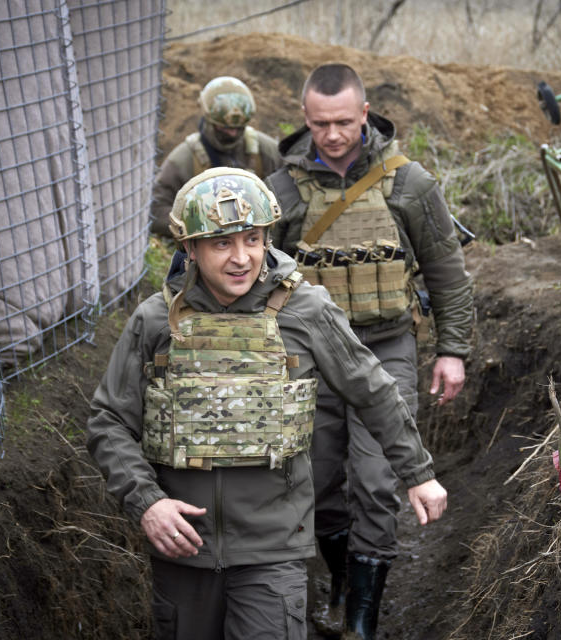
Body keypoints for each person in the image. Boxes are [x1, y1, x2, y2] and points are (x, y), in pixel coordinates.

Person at [86, 168, 447, 640]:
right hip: (182, 551)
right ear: (190, 248)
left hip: (273, 551)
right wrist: (148, 503)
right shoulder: (156, 320)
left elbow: (373, 391)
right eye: (222, 244)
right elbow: (108, 421)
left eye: (253, 240)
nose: (242, 258)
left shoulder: (306, 311)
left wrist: (417, 473)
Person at [265, 63, 474, 639]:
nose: (331, 135)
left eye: (343, 122)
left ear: (365, 114)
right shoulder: (280, 190)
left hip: (386, 347)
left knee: (378, 480)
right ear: (304, 120)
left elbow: (447, 273)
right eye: (319, 124)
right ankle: (341, 584)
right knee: (321, 481)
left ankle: (362, 622)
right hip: (308, 360)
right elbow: (256, 278)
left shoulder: (410, 184)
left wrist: (451, 350)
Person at [150, 76, 282, 236]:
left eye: (238, 128)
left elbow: (288, 194)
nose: (233, 133)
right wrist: (199, 222)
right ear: (208, 120)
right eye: (224, 128)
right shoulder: (183, 159)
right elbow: (155, 210)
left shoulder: (266, 150)